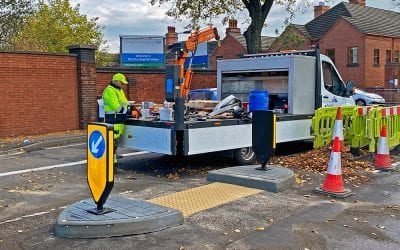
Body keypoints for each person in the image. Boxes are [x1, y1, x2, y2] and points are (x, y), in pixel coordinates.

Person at [102, 73, 137, 168]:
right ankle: (111, 159)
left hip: (119, 118)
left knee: (115, 139)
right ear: (116, 81)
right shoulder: (109, 91)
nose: (123, 85)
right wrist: (130, 112)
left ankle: (113, 156)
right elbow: (116, 107)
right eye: (122, 83)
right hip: (113, 119)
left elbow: (124, 102)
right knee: (113, 140)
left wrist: (131, 107)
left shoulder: (119, 90)